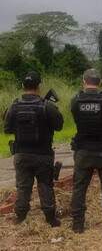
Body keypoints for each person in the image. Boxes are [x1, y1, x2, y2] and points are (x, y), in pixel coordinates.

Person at [4, 71, 63, 227]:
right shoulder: (47, 106)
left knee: (23, 187)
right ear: (39, 86)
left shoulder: (14, 106)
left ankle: (20, 217)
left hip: (21, 153)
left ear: (23, 86)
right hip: (43, 154)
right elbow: (59, 126)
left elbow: (7, 129)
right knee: (45, 185)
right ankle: (51, 219)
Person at [70, 69, 102, 234]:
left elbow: (76, 118)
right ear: (100, 82)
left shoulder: (75, 101)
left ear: (84, 81)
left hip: (83, 150)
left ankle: (77, 224)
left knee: (79, 188)